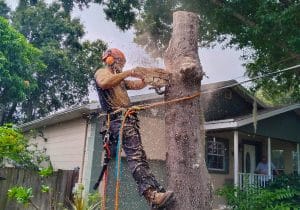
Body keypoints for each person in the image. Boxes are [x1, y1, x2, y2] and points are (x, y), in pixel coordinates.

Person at [94, 48, 174, 208]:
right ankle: (152, 196)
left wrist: (146, 78)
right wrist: (129, 72)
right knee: (136, 157)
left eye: (123, 65)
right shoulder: (102, 73)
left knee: (140, 156)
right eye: (120, 63)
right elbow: (104, 83)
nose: (121, 67)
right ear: (110, 60)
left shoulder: (120, 80)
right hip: (118, 119)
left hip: (128, 119)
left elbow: (137, 85)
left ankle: (155, 192)